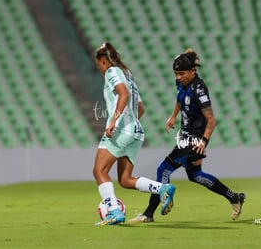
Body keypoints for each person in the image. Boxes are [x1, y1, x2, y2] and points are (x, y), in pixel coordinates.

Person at [129, 49, 245, 223]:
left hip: (195, 139)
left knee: (163, 169)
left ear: (193, 71)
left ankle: (149, 213)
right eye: (176, 74)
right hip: (185, 135)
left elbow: (211, 120)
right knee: (195, 174)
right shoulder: (182, 83)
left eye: (182, 73)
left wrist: (203, 141)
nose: (178, 77)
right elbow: (179, 98)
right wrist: (173, 116)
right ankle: (234, 197)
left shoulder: (199, 90)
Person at [93, 42, 176, 225]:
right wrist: (130, 125)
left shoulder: (112, 72)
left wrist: (115, 121)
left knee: (99, 171)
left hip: (121, 131)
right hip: (136, 131)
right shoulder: (128, 74)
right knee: (125, 179)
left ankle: (114, 211)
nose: (98, 67)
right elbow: (140, 108)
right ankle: (163, 188)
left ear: (104, 61)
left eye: (98, 63)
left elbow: (124, 95)